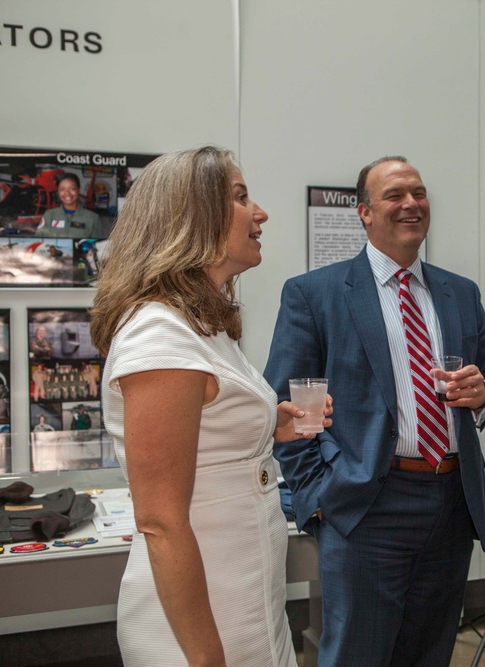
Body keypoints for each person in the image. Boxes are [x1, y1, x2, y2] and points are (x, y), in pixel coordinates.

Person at [90, 146, 333, 666]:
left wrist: (270, 425)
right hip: (198, 621)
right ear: (192, 217)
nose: (261, 213)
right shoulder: (160, 333)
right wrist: (205, 658)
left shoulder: (202, 326)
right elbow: (160, 521)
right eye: (242, 197)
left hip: (243, 599)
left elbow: (208, 431)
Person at [264, 155, 485, 666]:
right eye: (395, 195)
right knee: (358, 654)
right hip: (365, 505)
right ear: (365, 212)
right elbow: (290, 408)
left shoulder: (460, 292)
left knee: (429, 653)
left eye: (418, 193)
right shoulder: (315, 295)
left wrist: (483, 394)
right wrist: (320, 496)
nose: (411, 204)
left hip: (450, 501)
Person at [38, 173, 103, 239]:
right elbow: (38, 239)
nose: (67, 193)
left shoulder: (92, 218)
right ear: (58, 192)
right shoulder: (49, 215)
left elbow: (99, 245)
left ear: (78, 190)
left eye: (72, 189)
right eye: (62, 189)